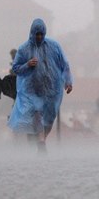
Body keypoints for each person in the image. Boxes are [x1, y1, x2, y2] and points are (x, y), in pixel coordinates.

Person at [8, 18, 73, 153]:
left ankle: (41, 139)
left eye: (41, 34)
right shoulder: (24, 49)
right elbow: (15, 68)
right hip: (32, 89)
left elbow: (64, 64)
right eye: (36, 34)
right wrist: (27, 65)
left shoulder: (54, 46)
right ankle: (41, 142)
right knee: (37, 112)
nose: (39, 37)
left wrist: (68, 81)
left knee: (49, 118)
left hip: (52, 89)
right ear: (32, 33)